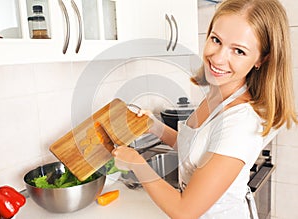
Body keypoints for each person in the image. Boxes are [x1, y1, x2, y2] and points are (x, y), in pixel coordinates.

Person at [112, 0, 298, 218]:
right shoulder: (217, 95)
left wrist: (137, 163)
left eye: (238, 51)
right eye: (216, 40)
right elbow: (195, 150)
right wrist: (153, 126)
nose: (218, 58)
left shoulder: (241, 121)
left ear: (262, 59)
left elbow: (184, 211)